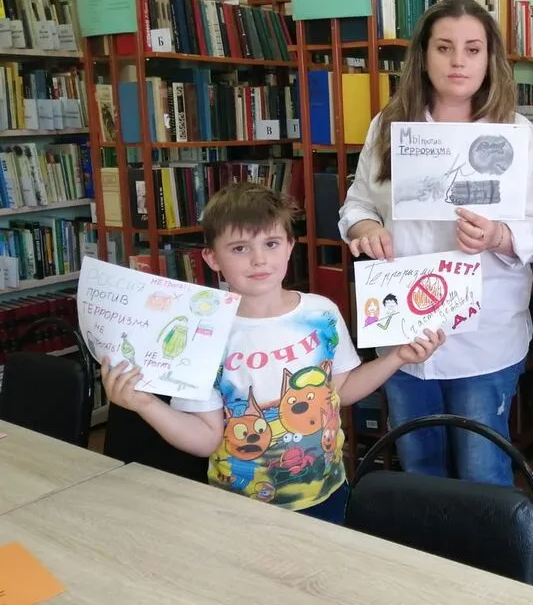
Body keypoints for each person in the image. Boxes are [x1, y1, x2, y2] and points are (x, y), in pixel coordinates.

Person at [100, 182, 444, 524]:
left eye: (271, 243)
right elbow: (206, 438)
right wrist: (145, 404)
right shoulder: (204, 334)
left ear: (290, 247)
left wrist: (397, 357)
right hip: (238, 507)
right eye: (239, 248)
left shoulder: (321, 313)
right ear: (212, 258)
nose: (259, 259)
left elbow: (340, 390)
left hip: (328, 492)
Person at [338, 0, 533, 487]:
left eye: (472, 49)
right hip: (403, 329)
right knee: (419, 465)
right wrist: (364, 228)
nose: (458, 61)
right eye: (444, 47)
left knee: (482, 470)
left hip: (484, 336)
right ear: (423, 56)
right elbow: (358, 203)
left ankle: (485, 544)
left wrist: (500, 235)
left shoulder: (514, 131)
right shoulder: (388, 127)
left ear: (489, 59)